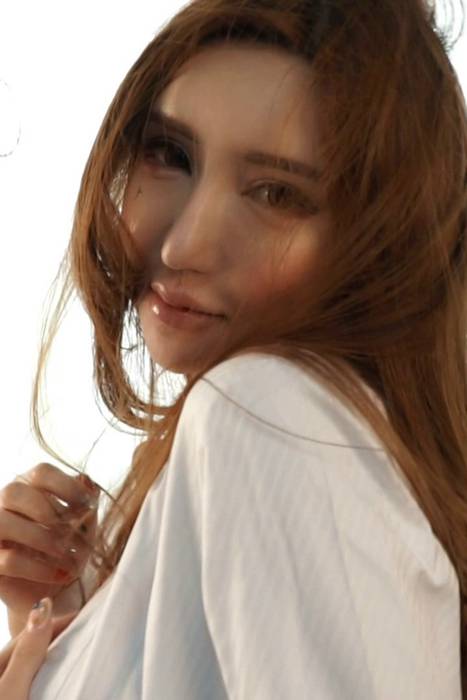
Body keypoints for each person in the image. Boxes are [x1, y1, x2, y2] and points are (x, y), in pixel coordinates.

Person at [0, 0, 466, 696]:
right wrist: (82, 634)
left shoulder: (268, 413)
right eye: (170, 155)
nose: (184, 246)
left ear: (379, 247)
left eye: (277, 194)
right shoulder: (266, 442)